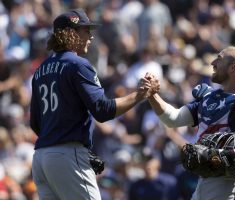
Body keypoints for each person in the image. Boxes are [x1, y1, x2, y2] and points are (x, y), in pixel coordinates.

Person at [29, 9, 159, 200]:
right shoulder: (78, 64)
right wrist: (140, 95)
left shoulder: (40, 71)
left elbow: (35, 123)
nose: (90, 36)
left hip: (41, 158)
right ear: (71, 33)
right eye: (85, 30)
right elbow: (102, 110)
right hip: (67, 154)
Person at [147, 46, 235, 200]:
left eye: (219, 59)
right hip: (203, 183)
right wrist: (152, 95)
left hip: (232, 186)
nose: (213, 63)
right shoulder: (208, 99)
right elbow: (173, 119)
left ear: (233, 67)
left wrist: (233, 154)